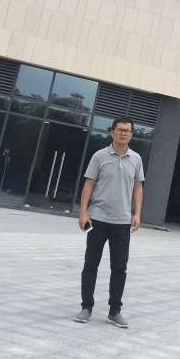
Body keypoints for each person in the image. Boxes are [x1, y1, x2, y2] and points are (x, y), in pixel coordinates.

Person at [74, 117, 144, 328]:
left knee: (120, 268)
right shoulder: (99, 156)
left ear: (131, 134)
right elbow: (89, 184)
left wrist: (137, 214)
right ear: (112, 132)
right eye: (120, 130)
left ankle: (115, 311)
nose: (123, 133)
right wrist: (83, 212)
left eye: (127, 131)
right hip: (98, 219)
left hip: (122, 222)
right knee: (90, 264)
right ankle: (86, 307)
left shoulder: (136, 159)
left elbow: (138, 187)